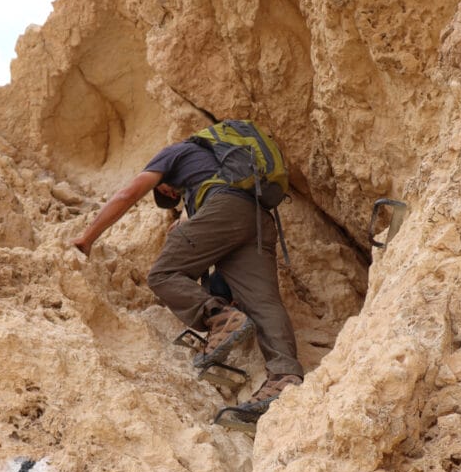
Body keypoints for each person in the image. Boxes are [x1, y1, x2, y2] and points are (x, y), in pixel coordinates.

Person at [69, 131, 303, 421]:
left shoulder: (172, 153)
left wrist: (87, 238)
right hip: (256, 217)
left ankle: (220, 318)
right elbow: (200, 224)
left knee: (163, 274)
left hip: (226, 209)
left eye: (166, 191)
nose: (170, 195)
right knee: (263, 302)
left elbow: (128, 194)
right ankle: (285, 374)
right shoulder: (210, 171)